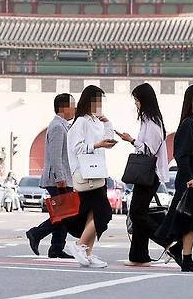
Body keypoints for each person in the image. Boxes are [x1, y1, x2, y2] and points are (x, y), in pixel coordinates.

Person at [155, 84, 193, 272]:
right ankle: (186, 259)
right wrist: (189, 177)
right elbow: (181, 154)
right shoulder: (188, 124)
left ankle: (176, 250)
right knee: (191, 220)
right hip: (190, 180)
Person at [118, 83, 170, 266]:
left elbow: (149, 150)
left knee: (137, 213)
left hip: (150, 173)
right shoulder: (148, 120)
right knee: (139, 212)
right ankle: (138, 255)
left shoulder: (153, 122)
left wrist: (131, 140)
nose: (136, 104)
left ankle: (167, 241)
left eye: (137, 100)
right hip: (146, 174)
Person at [64, 85, 115, 268]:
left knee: (92, 215)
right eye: (97, 101)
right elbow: (75, 147)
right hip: (85, 174)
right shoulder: (81, 122)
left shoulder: (95, 121)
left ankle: (88, 252)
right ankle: (79, 246)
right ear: (89, 101)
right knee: (104, 213)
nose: (99, 105)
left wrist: (107, 124)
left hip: (98, 172)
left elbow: (106, 139)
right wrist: (96, 145)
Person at [26, 93, 76, 259]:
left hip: (62, 178)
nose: (74, 109)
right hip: (57, 179)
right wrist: (60, 178)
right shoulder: (57, 127)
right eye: (72, 105)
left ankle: (56, 248)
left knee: (64, 214)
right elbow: (55, 156)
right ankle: (36, 233)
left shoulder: (64, 126)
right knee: (64, 214)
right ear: (63, 107)